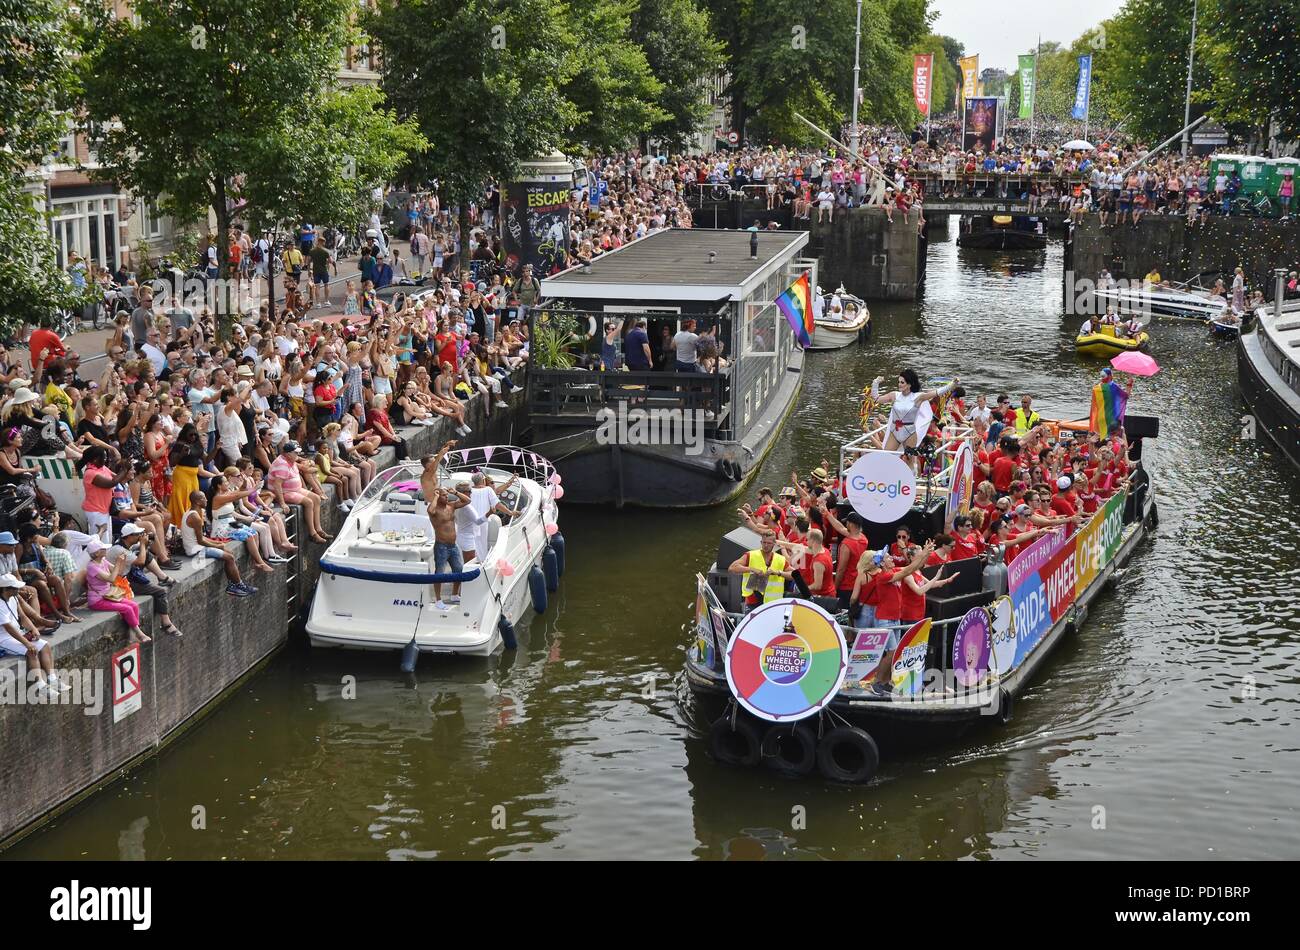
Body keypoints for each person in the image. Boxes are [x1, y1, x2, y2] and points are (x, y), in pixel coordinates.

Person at [0, 575, 70, 695]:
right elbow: (9, 629)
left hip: (17, 633)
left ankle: (52, 679)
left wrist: (33, 629)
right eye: (15, 588)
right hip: (4, 638)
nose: (19, 590)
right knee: (32, 651)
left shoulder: (14, 598)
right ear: (6, 589)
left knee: (45, 645)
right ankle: (41, 686)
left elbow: (22, 617)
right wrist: (27, 643)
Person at [181, 490, 256, 597]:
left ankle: (232, 584)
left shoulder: (192, 512)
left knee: (229, 552)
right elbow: (200, 541)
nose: (207, 500)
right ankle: (239, 585)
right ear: (197, 502)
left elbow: (201, 537)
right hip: (195, 550)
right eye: (203, 498)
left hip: (197, 546)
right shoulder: (195, 517)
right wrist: (217, 545)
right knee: (229, 557)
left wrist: (217, 543)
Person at [870, 369, 959, 458]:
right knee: (886, 456)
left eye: (902, 382)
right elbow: (876, 399)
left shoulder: (918, 397)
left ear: (909, 384)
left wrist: (951, 385)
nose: (899, 384)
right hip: (895, 432)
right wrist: (875, 383)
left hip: (909, 433)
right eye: (899, 382)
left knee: (910, 460)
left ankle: (914, 472)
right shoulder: (894, 395)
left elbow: (936, 393)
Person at [84, 538, 151, 642]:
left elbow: (119, 572)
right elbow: (111, 578)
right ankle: (139, 634)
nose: (106, 550)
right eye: (103, 549)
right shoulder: (92, 567)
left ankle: (132, 632)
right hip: (97, 600)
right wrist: (118, 562)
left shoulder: (103, 561)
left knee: (134, 605)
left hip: (108, 595)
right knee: (127, 609)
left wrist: (122, 561)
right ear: (97, 553)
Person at [728, 530, 793, 612]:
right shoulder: (750, 555)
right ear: (761, 542)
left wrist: (779, 573)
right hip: (752, 601)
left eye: (769, 543)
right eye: (764, 542)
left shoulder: (781, 559)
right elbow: (732, 568)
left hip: (772, 603)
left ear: (774, 544)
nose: (765, 545)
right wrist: (751, 569)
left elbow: (794, 575)